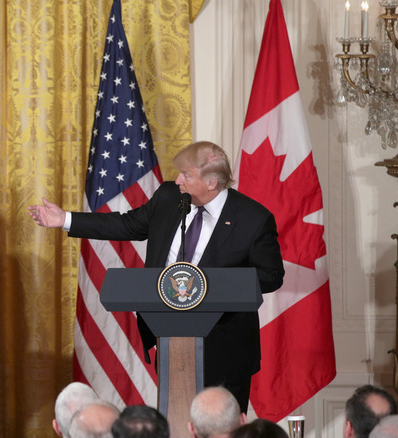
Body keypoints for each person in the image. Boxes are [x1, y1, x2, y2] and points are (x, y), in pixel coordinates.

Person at [28, 141, 284, 412]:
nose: (178, 180)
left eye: (186, 175)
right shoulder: (169, 198)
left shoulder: (252, 218)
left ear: (211, 182)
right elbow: (127, 224)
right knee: (176, 418)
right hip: (170, 334)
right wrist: (65, 219)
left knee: (220, 426)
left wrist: (213, 285)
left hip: (226, 346)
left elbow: (271, 275)